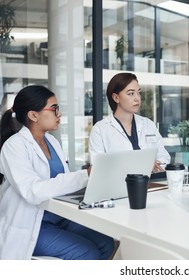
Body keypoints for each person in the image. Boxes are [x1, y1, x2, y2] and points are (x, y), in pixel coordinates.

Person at [0, 85, 115, 260]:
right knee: (86, 253)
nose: (59, 114)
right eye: (54, 109)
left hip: (62, 217)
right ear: (33, 115)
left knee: (106, 242)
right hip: (34, 226)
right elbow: (33, 191)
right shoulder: (14, 147)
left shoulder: (52, 142)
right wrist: (85, 176)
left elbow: (63, 183)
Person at [89, 72, 170, 172]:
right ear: (116, 98)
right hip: (119, 187)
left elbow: (164, 157)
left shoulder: (148, 124)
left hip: (152, 184)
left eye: (138, 92)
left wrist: (156, 164)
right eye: (131, 93)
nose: (137, 98)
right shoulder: (100, 129)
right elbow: (98, 168)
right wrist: (143, 165)